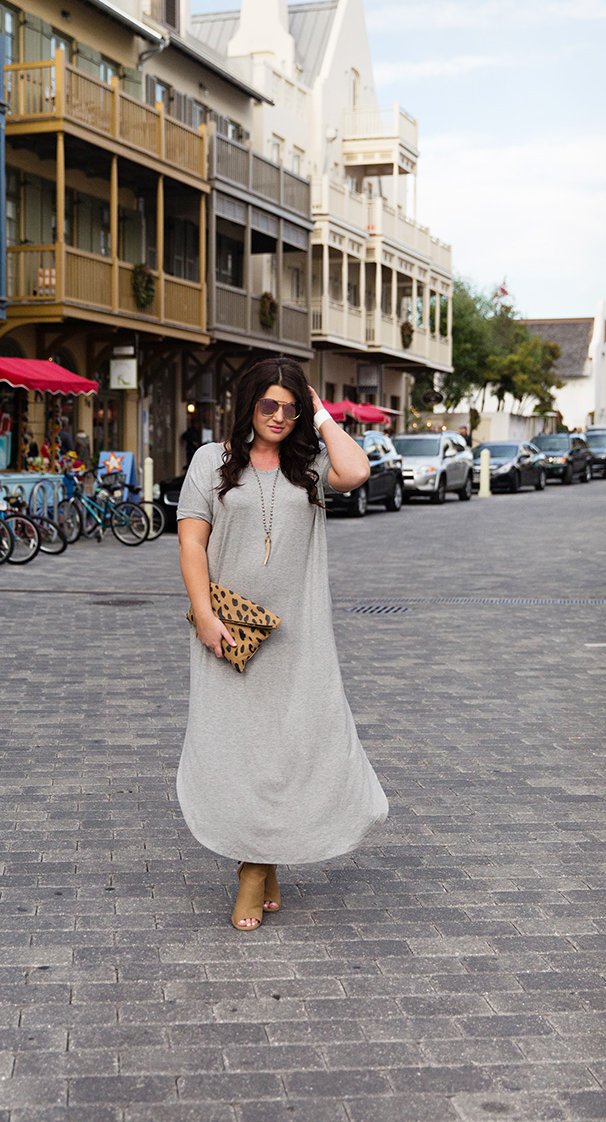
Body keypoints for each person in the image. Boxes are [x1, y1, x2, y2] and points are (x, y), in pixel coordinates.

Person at [176, 356, 388, 931]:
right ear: (247, 404)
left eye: (290, 408)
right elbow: (192, 542)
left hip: (300, 637)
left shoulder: (312, 464)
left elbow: (359, 470)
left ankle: (255, 867)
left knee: (290, 750)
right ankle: (259, 865)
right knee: (240, 751)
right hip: (230, 633)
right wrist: (202, 614)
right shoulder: (210, 462)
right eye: (269, 404)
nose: (279, 416)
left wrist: (320, 413)